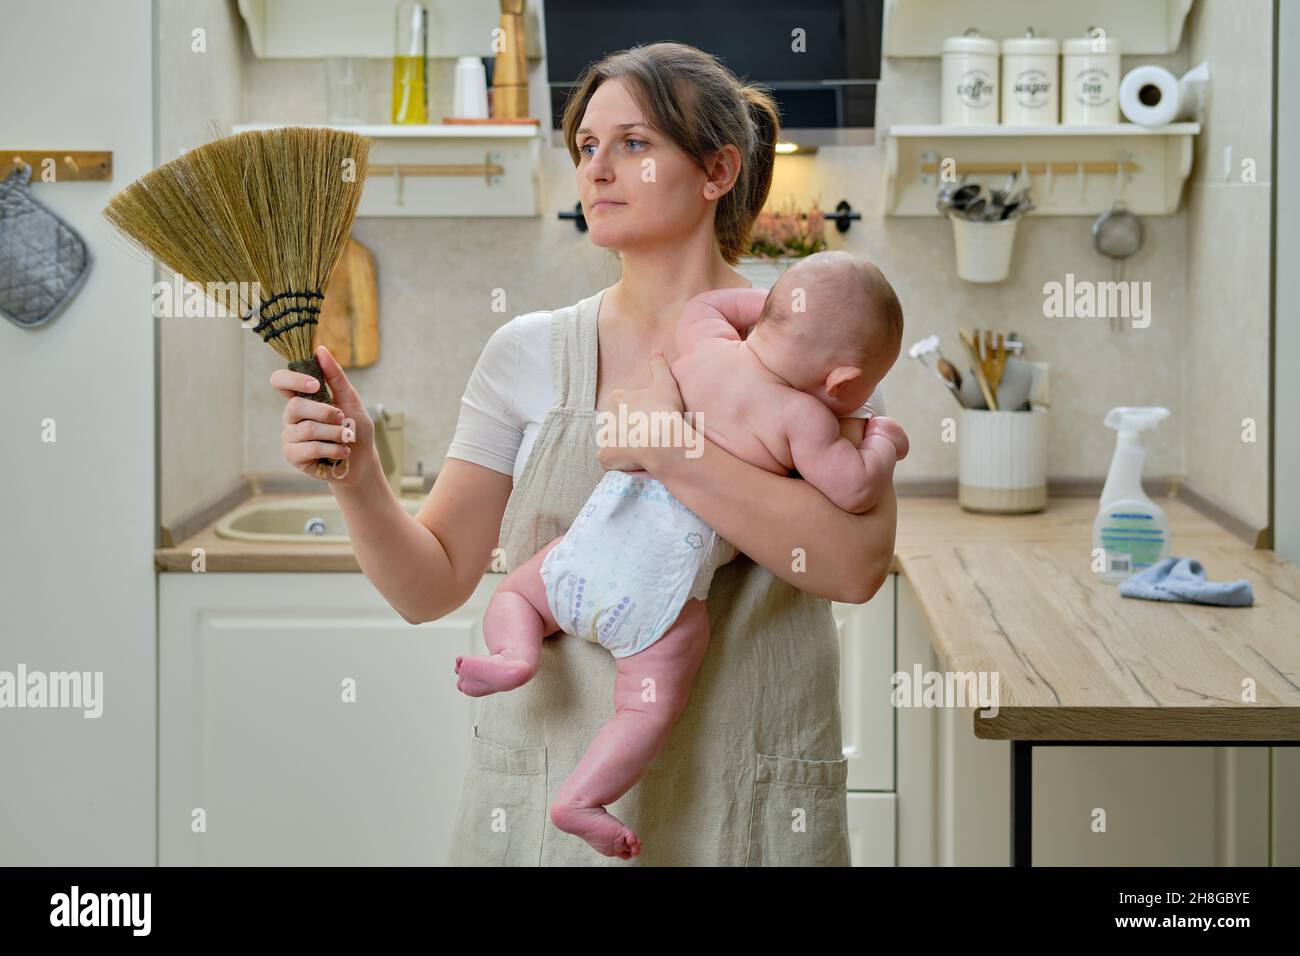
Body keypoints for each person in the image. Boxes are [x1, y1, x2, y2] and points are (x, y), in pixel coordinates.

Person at [272, 41, 902, 865]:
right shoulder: (526, 353)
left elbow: (854, 568)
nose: (599, 168)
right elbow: (429, 587)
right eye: (586, 147)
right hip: (546, 810)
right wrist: (358, 480)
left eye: (634, 144)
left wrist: (670, 454)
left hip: (747, 808)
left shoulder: (820, 342)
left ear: (718, 170)